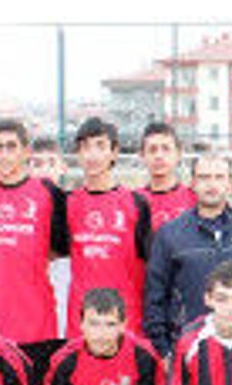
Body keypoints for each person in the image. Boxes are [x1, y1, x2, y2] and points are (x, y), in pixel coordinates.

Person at [0, 120, 70, 385]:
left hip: (38, 320)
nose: (4, 154)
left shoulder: (48, 194)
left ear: (26, 152)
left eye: (11, 147)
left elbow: (64, 247)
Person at [144, 153, 232, 356]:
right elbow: (155, 296)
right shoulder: (170, 233)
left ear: (229, 184)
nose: (212, 184)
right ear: (193, 184)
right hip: (190, 348)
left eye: (219, 177)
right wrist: (164, 351)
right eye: (204, 177)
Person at [66, 117, 152, 342]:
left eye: (100, 146)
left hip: (125, 322)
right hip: (81, 324)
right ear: (78, 154)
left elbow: (151, 265)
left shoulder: (136, 204)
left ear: (114, 152)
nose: (92, 155)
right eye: (85, 147)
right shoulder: (68, 203)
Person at [29, 136, 71, 341]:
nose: (44, 170)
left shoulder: (71, 203)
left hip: (61, 280)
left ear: (63, 168)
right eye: (37, 164)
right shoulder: (19, 203)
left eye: (51, 163)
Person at [137, 122, 197, 232]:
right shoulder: (132, 202)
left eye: (166, 149)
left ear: (178, 154)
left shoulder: (194, 199)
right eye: (152, 150)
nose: (159, 156)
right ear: (142, 156)